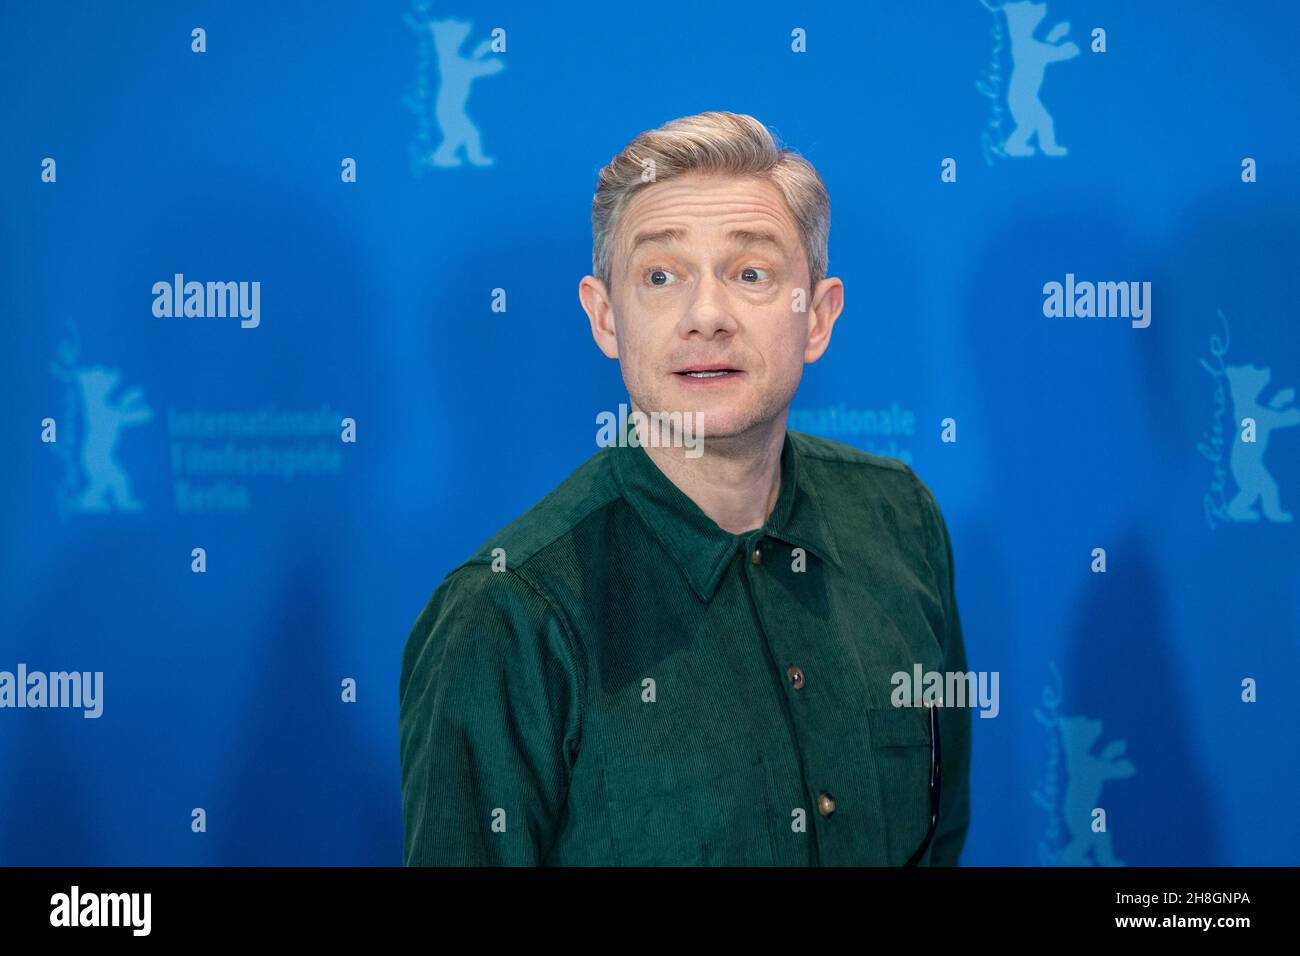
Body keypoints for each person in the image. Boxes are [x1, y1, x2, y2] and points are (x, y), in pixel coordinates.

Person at [400, 110, 971, 866]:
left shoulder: (901, 521)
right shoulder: (504, 615)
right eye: (661, 277)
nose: (707, 316)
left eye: (751, 274)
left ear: (818, 318)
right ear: (606, 319)